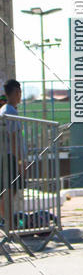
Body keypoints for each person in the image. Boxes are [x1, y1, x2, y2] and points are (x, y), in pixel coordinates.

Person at [0, 79, 23, 229]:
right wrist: (20, 161)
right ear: (16, 93)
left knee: (5, 192)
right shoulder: (10, 112)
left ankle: (7, 222)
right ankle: (8, 223)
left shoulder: (3, 110)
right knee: (10, 191)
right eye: (19, 93)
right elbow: (14, 139)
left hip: (5, 156)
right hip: (10, 157)